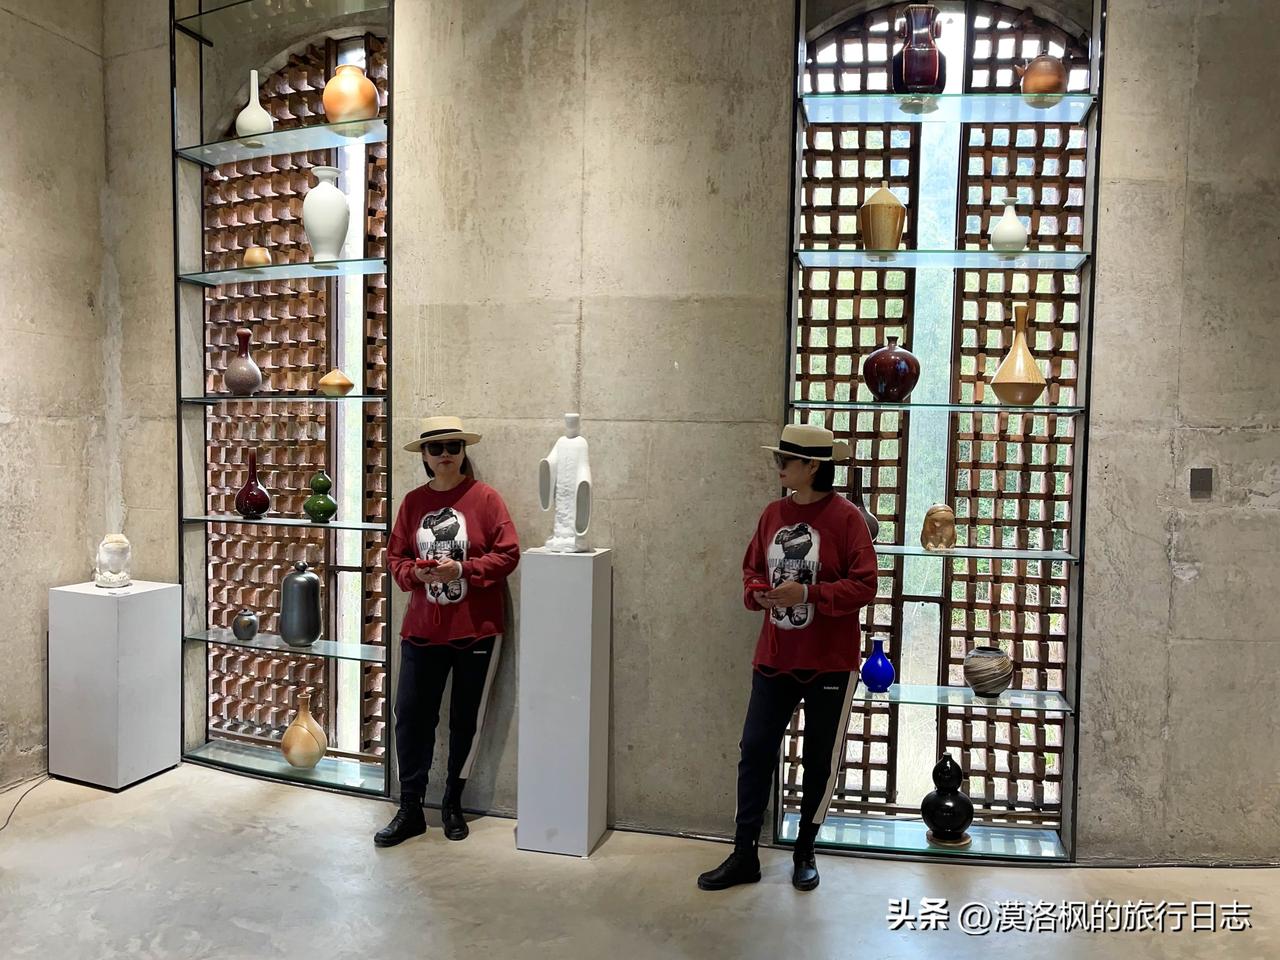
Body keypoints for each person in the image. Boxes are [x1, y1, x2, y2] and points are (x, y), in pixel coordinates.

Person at [697, 423, 878, 891]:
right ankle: (744, 853)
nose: (777, 466)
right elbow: (752, 569)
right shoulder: (772, 514)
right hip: (774, 657)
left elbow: (865, 585)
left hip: (830, 662)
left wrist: (810, 594)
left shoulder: (847, 519)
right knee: (755, 750)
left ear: (812, 466)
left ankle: (805, 851)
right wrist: (758, 593)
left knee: (819, 760)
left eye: (785, 459)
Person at [374, 416, 520, 847]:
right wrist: (415, 575)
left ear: (463, 452)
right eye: (435, 448)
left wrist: (464, 570)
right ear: (424, 455)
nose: (445, 455)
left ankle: (454, 802)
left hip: (476, 630)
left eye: (453, 447)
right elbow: (395, 558)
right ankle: (411, 807)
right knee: (410, 717)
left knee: (466, 720)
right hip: (421, 629)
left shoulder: (486, 498)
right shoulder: (412, 503)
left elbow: (508, 554)